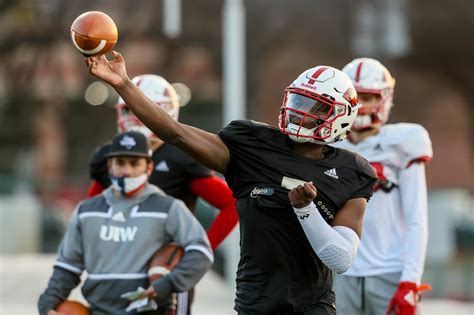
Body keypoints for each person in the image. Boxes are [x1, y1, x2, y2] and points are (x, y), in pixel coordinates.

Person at [85, 52, 377, 315]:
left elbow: (340, 259)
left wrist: (306, 211)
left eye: (314, 108)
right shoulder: (252, 145)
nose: (300, 111)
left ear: (340, 115)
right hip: (256, 302)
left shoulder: (352, 171)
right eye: (298, 101)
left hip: (313, 305)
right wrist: (123, 84)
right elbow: (175, 133)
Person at [87, 74, 238, 315]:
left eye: (139, 109)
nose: (132, 117)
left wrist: (198, 252)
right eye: (127, 110)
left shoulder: (180, 156)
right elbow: (89, 213)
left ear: (163, 111)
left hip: (165, 268)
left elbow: (230, 203)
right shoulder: (108, 155)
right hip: (120, 267)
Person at [38, 131, 214, 315]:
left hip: (151, 310)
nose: (127, 171)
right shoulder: (86, 211)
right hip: (99, 310)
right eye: (120, 162)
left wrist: (168, 283)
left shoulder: (169, 208)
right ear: (109, 165)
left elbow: (201, 252)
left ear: (149, 167)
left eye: (134, 163)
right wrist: (48, 302)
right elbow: (67, 268)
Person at [332, 58, 433, 315]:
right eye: (355, 97)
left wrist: (411, 280)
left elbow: (416, 219)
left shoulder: (404, 142)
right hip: (339, 270)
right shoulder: (328, 146)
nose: (361, 105)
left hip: (391, 272)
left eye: (368, 97)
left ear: (384, 99)